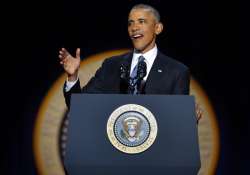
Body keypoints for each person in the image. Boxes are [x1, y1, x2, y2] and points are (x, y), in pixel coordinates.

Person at [59, 4, 202, 121]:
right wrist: (72, 77)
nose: (134, 28)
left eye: (142, 21)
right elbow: (79, 106)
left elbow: (178, 122)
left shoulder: (176, 71)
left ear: (158, 28)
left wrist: (188, 119)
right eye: (130, 23)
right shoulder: (111, 65)